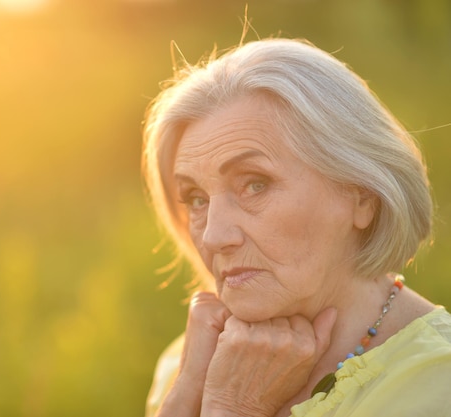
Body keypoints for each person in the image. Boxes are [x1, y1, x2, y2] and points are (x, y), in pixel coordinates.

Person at [141, 37, 451, 417]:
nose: (213, 236)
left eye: (255, 184)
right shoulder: (186, 360)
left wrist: (230, 407)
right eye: (196, 199)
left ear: (362, 196)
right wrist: (186, 392)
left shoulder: (437, 384)